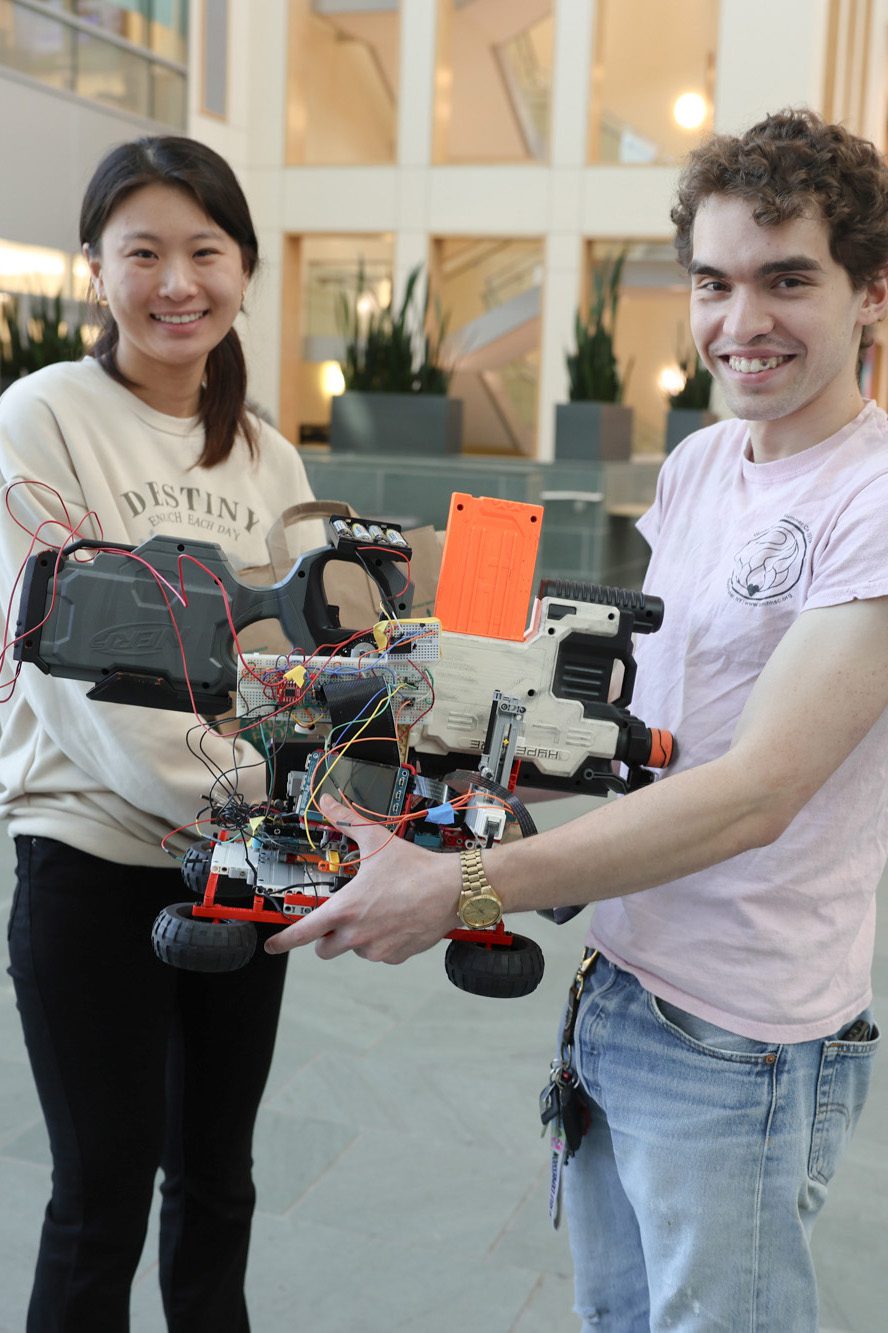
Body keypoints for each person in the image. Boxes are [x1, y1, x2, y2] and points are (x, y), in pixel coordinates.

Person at [265, 108, 888, 1330]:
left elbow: (756, 791)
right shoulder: (708, 463)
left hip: (742, 1040)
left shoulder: (873, 500)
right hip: (619, 986)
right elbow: (646, 739)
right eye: (713, 282)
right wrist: (433, 787)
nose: (741, 322)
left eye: (787, 280)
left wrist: (464, 889)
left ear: (872, 292)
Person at [0, 137, 322, 1332]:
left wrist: (314, 797)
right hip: (92, 861)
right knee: (97, 1195)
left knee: (218, 1182)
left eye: (205, 250)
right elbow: (75, 676)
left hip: (243, 870)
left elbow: (300, 673)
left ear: (245, 269)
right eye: (143, 252)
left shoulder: (264, 451)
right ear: (95, 270)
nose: (176, 282)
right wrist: (263, 803)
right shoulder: (41, 418)